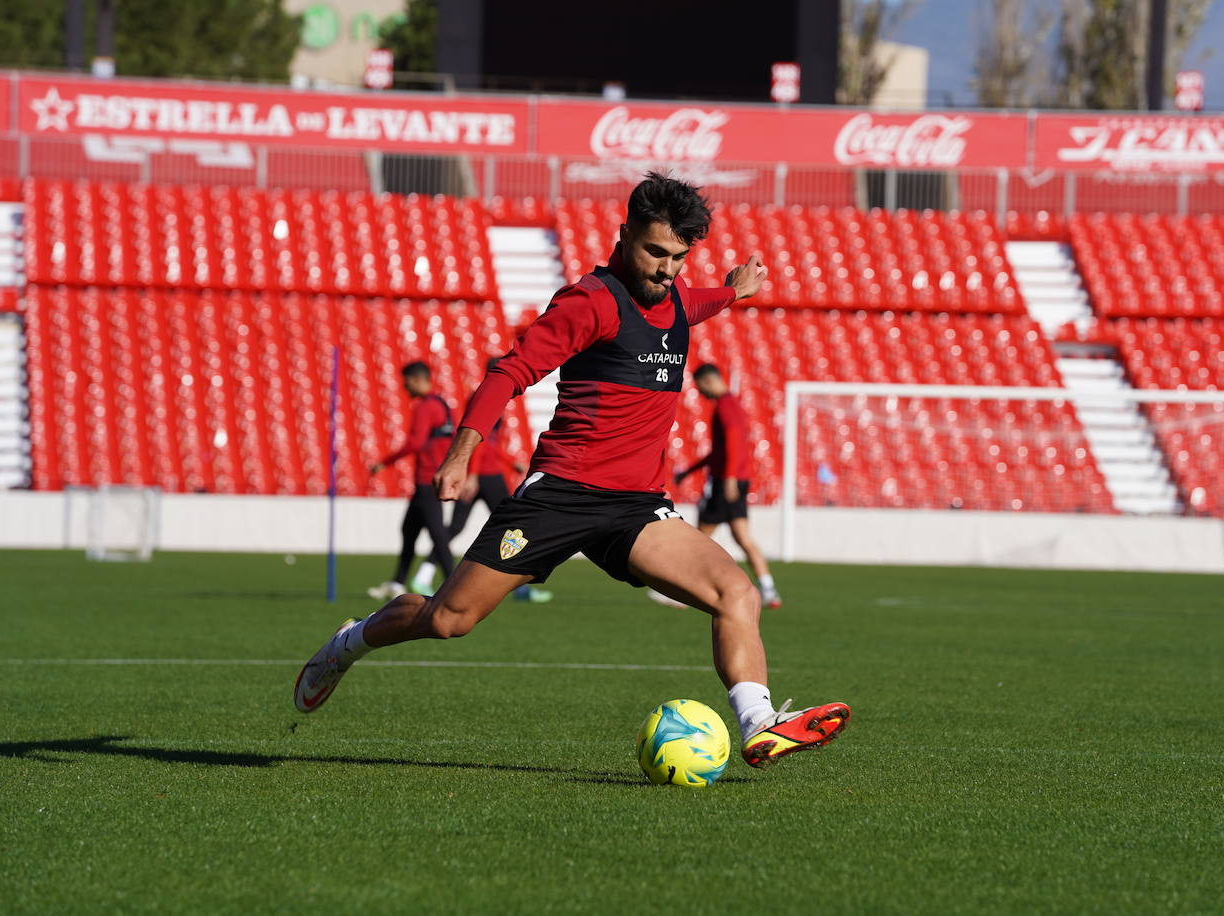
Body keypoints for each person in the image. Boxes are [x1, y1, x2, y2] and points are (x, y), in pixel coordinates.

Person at [296, 172, 849, 769]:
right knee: (450, 619)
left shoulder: (680, 300)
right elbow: (509, 372)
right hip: (559, 496)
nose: (666, 269)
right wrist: (460, 452)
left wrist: (736, 290)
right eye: (655, 252)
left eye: (679, 258)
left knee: (735, 593)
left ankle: (758, 723)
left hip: (635, 506)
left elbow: (699, 301)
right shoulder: (590, 302)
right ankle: (347, 643)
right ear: (624, 235)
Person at [409, 359, 551, 603]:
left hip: (482, 470)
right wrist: (473, 474)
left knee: (456, 527)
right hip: (485, 474)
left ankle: (424, 574)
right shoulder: (487, 397)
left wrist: (507, 461)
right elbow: (479, 440)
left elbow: (488, 443)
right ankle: (519, 587)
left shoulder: (485, 396)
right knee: (515, 526)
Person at [670, 363, 781, 608]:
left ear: (709, 381)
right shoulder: (733, 404)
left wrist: (729, 478)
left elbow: (733, 444)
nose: (701, 393)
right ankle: (769, 589)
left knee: (699, 538)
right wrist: (689, 472)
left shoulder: (725, 407)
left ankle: (684, 593)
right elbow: (720, 451)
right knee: (743, 538)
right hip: (737, 480)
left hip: (725, 482)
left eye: (700, 388)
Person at [364, 361, 456, 601]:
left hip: (427, 479)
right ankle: (397, 583)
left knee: (437, 534)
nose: (406, 390)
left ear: (416, 379)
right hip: (431, 479)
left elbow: (415, 443)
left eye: (406, 384)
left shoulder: (425, 407)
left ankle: (455, 586)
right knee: (409, 531)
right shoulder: (444, 405)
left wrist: (384, 462)